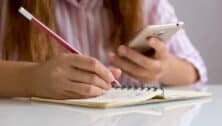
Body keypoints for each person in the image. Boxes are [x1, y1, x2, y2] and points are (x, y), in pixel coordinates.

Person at [0, 0, 207, 99]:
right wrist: (32, 79)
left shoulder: (148, 5)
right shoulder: (9, 8)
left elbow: (195, 70)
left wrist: (164, 68)